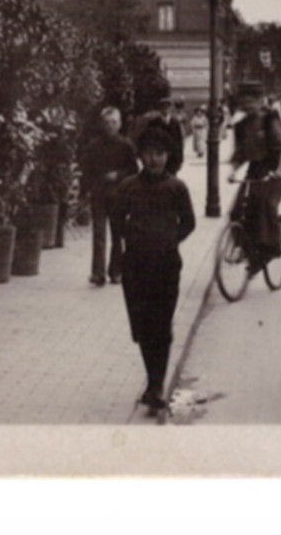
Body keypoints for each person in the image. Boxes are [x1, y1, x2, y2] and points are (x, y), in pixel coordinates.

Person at [111, 126, 197, 412]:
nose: (154, 160)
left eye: (159, 154)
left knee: (161, 324)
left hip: (166, 265)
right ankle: (153, 380)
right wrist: (131, 240)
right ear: (141, 156)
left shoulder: (176, 188)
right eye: (149, 154)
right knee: (143, 326)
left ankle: (156, 385)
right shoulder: (128, 187)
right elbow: (116, 220)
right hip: (135, 265)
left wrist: (169, 240)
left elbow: (189, 222)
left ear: (167, 156)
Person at [228, 80, 281, 273]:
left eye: (251, 100)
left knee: (264, 205)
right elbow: (240, 154)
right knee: (237, 211)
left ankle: (273, 247)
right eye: (243, 100)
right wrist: (233, 171)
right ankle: (248, 250)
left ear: (259, 100)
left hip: (273, 169)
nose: (247, 104)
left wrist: (279, 170)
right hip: (254, 170)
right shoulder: (240, 126)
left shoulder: (270, 119)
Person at [80, 106, 138, 287]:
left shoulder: (126, 146)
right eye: (107, 123)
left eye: (114, 122)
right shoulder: (94, 147)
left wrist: (118, 175)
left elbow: (134, 170)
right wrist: (84, 193)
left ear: (120, 124)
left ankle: (116, 271)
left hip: (119, 196)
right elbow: (86, 171)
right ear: (101, 125)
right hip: (99, 195)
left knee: (117, 234)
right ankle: (98, 273)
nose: (110, 126)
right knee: (99, 234)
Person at [136, 97, 186, 177]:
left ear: (170, 109)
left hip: (172, 159)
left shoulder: (175, 123)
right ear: (160, 109)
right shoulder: (154, 123)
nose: (165, 110)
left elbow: (179, 143)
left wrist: (179, 160)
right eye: (163, 107)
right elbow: (149, 140)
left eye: (167, 107)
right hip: (158, 157)